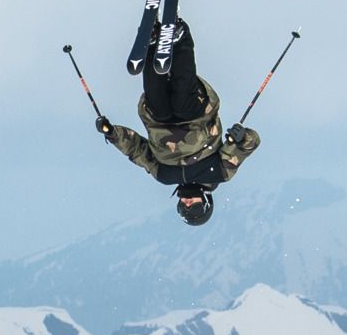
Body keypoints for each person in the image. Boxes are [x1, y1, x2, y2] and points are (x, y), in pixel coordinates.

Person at [96, 18, 260, 226]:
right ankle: (181, 39)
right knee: (183, 102)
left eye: (183, 206)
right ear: (206, 202)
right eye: (195, 205)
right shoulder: (219, 172)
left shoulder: (164, 175)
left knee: (158, 104)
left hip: (159, 123)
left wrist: (112, 134)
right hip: (197, 116)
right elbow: (250, 144)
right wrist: (241, 137)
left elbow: (137, 152)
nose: (188, 201)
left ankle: (153, 44)